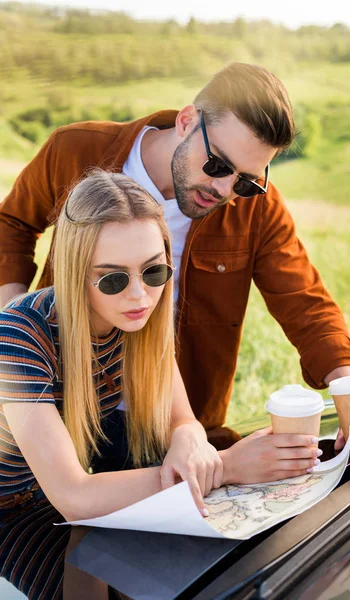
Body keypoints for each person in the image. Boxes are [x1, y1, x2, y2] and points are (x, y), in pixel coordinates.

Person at [0, 62, 350, 459]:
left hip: (176, 418)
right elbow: (11, 225)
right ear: (188, 120)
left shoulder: (256, 208)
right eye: (218, 165)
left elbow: (304, 300)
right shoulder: (74, 150)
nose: (225, 190)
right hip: (61, 399)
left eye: (245, 180)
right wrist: (17, 325)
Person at [0, 170, 319, 599]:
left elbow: (182, 420)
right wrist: (225, 467)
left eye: (153, 272)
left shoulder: (137, 321)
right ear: (77, 273)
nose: (139, 296)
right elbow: (74, 496)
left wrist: (192, 444)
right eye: (113, 279)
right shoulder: (19, 337)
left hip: (54, 499)